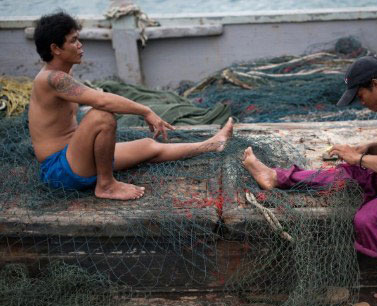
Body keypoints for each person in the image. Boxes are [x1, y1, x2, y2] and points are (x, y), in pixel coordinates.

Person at [243, 55, 377, 305]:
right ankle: (276, 177)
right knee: (347, 173)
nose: (361, 103)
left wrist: (359, 159)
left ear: (376, 84)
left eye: (360, 96)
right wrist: (369, 148)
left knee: (367, 218)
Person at [29, 12, 233, 200]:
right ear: (55, 49)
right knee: (102, 115)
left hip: (77, 157)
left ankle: (213, 144)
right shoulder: (52, 79)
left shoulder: (65, 75)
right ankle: (106, 185)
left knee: (148, 145)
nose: (81, 45)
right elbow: (101, 101)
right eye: (73, 41)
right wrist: (145, 110)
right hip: (59, 169)